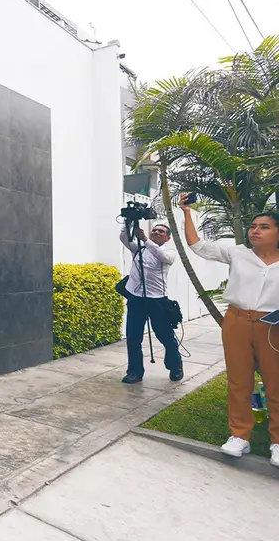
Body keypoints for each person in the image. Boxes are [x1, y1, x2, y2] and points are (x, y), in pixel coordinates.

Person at [180, 194, 279, 466]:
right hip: (236, 322)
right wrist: (187, 213)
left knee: (276, 382)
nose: (255, 231)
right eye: (253, 226)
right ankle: (239, 435)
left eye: (264, 227)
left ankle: (278, 442)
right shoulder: (239, 253)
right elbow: (197, 245)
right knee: (239, 380)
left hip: (272, 327)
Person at [119, 220, 183, 384]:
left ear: (167, 238)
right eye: (154, 230)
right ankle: (135, 372)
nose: (156, 232)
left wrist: (146, 239)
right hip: (136, 299)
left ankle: (175, 367)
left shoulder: (169, 251)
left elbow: (163, 257)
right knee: (133, 337)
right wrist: (129, 223)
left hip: (157, 301)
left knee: (165, 337)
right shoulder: (138, 248)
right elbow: (124, 237)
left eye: (161, 231)